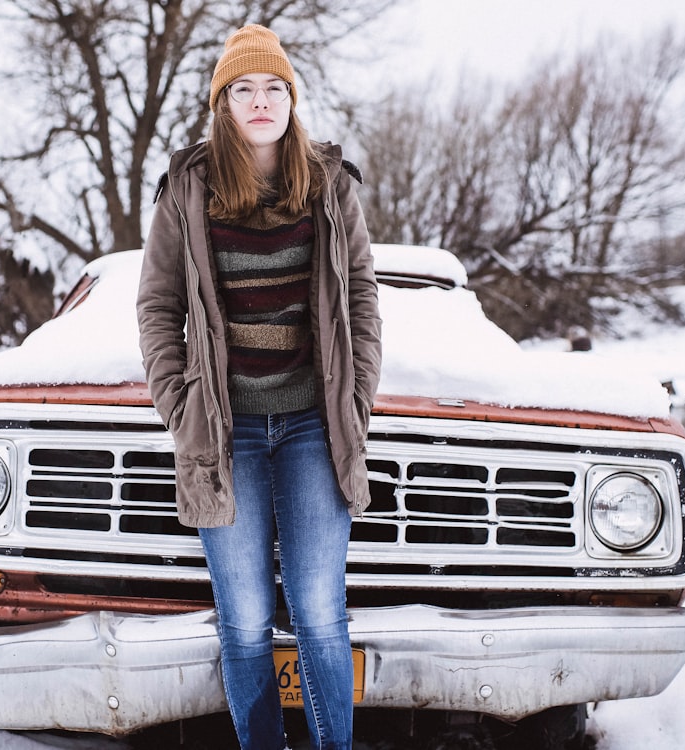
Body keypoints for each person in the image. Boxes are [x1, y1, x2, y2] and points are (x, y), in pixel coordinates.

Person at [136, 23, 382, 750]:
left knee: (316, 611)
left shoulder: (329, 186)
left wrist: (356, 396)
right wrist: (180, 409)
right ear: (223, 104)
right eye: (243, 88)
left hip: (313, 424)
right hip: (224, 429)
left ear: (292, 98)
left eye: (274, 86)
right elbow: (157, 306)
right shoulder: (188, 190)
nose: (261, 100)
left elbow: (363, 296)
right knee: (244, 618)